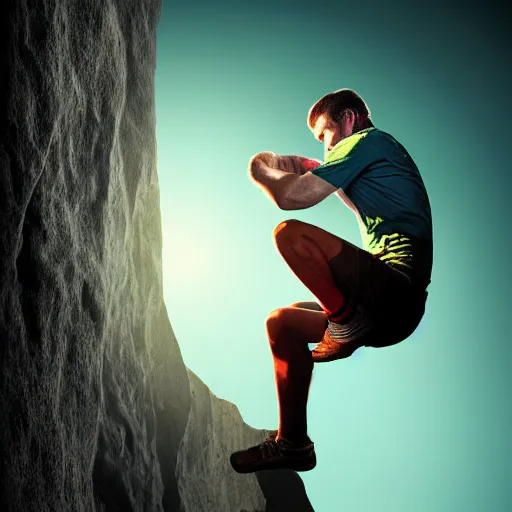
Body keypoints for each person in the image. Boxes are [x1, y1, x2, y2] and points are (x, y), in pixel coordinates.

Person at [229, 88, 432, 474]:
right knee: (281, 323)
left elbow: (291, 198)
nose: (326, 147)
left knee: (290, 234)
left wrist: (261, 167)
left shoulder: (368, 141)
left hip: (395, 292)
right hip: (386, 314)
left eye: (326, 135)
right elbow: (346, 193)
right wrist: (309, 167)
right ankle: (293, 444)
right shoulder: (377, 157)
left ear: (350, 120)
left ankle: (344, 319)